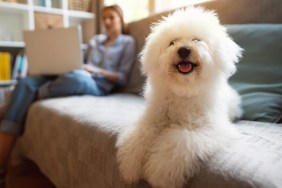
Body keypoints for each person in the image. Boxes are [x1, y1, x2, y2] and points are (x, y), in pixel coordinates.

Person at [0, 4, 135, 185]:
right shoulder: (95, 41)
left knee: (76, 78)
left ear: (120, 18)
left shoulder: (127, 42)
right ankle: (2, 164)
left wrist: (95, 69)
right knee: (27, 82)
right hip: (76, 74)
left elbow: (122, 78)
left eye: (111, 17)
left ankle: (22, 101)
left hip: (98, 85)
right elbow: (78, 63)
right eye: (104, 18)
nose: (107, 22)